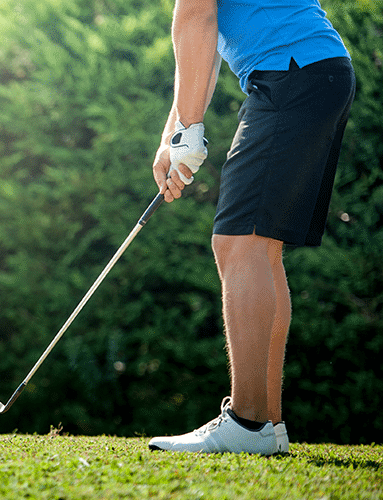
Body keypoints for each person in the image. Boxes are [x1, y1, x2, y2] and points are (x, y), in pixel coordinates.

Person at [146, 0, 355, 455]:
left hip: (292, 76)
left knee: (239, 243)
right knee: (258, 247)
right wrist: (175, 135)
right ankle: (268, 425)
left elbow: (195, 17)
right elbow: (205, 43)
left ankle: (247, 420)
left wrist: (190, 128)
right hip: (314, 73)